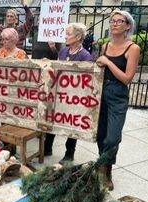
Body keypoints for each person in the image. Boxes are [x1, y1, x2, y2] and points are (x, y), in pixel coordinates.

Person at [95, 10, 140, 190]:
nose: (114, 24)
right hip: (101, 92)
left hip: (118, 94)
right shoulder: (105, 45)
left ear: (127, 26)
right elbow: (100, 68)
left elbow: (127, 78)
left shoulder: (133, 48)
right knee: (100, 134)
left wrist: (107, 62)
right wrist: (100, 62)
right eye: (112, 21)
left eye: (119, 21)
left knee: (112, 137)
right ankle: (103, 167)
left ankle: (107, 168)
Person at [43, 23, 93, 164]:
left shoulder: (85, 56)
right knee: (53, 119)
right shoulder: (63, 51)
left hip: (75, 97)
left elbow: (86, 79)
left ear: (78, 37)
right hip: (60, 94)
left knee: (72, 124)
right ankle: (47, 147)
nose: (65, 36)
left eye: (68, 34)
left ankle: (69, 154)